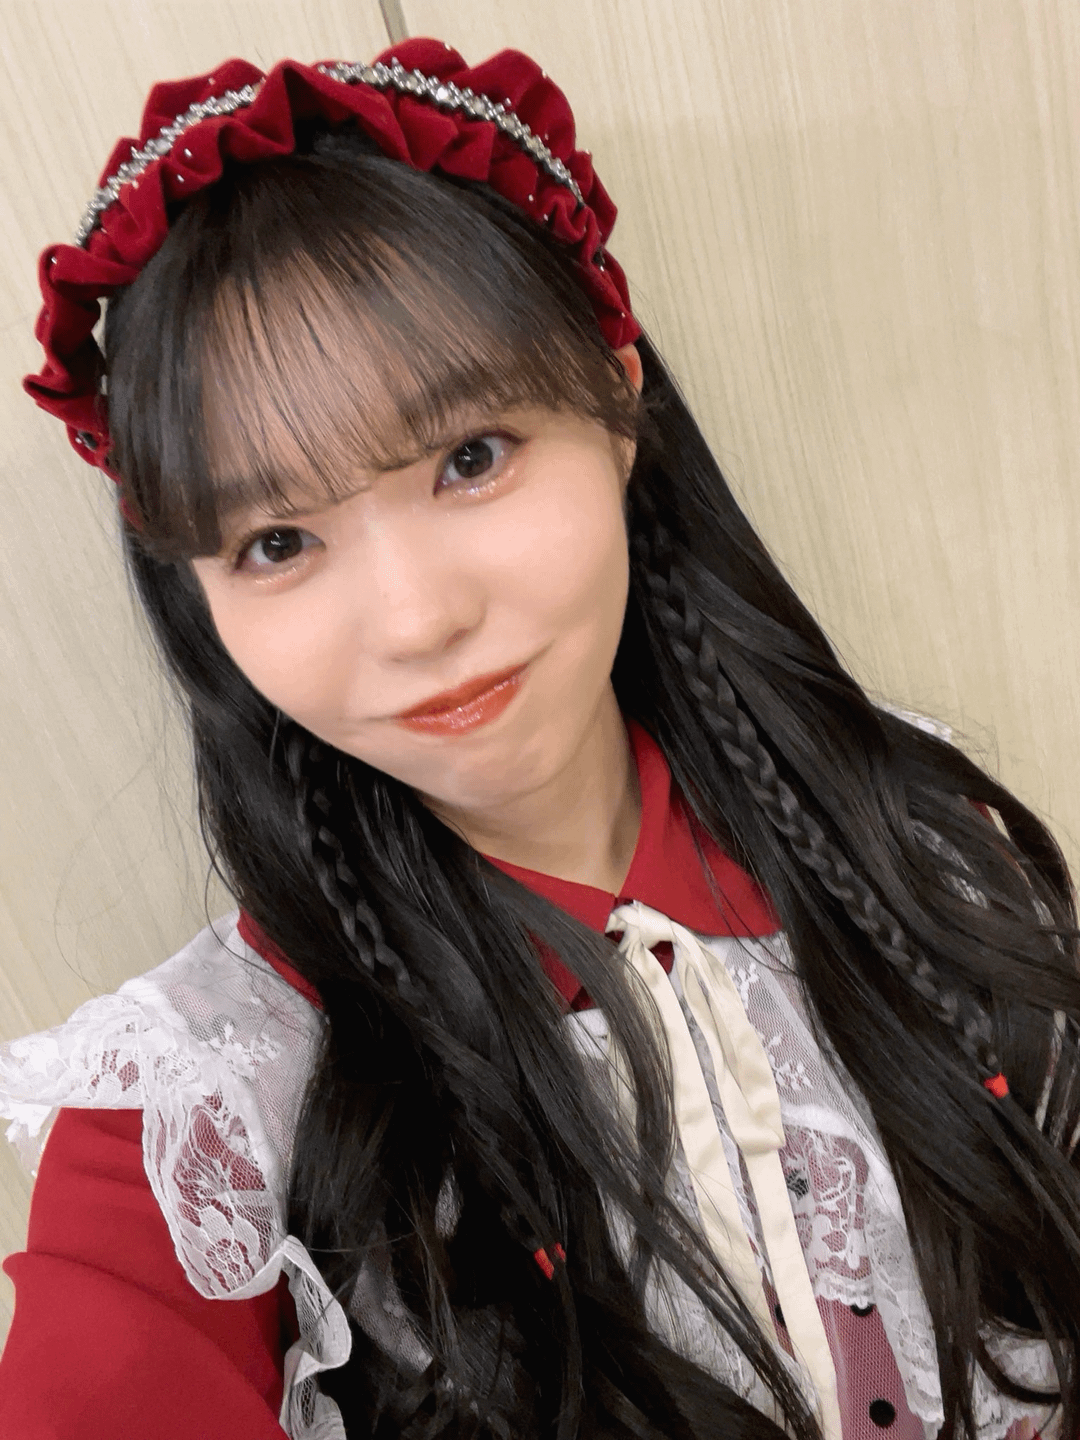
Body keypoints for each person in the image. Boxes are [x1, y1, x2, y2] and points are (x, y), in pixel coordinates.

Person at [0, 34, 1076, 1440]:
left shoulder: (913, 834)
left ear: (617, 399)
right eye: (276, 541)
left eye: (470, 458)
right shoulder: (197, 1113)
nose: (417, 618)